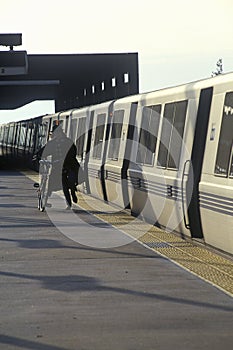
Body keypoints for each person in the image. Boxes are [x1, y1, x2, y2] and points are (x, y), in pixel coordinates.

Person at [35, 124, 80, 209]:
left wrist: (65, 159)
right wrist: (37, 155)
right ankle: (45, 201)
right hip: (57, 166)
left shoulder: (68, 141)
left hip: (69, 165)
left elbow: (73, 153)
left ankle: (73, 193)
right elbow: (45, 150)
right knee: (52, 183)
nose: (55, 135)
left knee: (69, 183)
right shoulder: (52, 143)